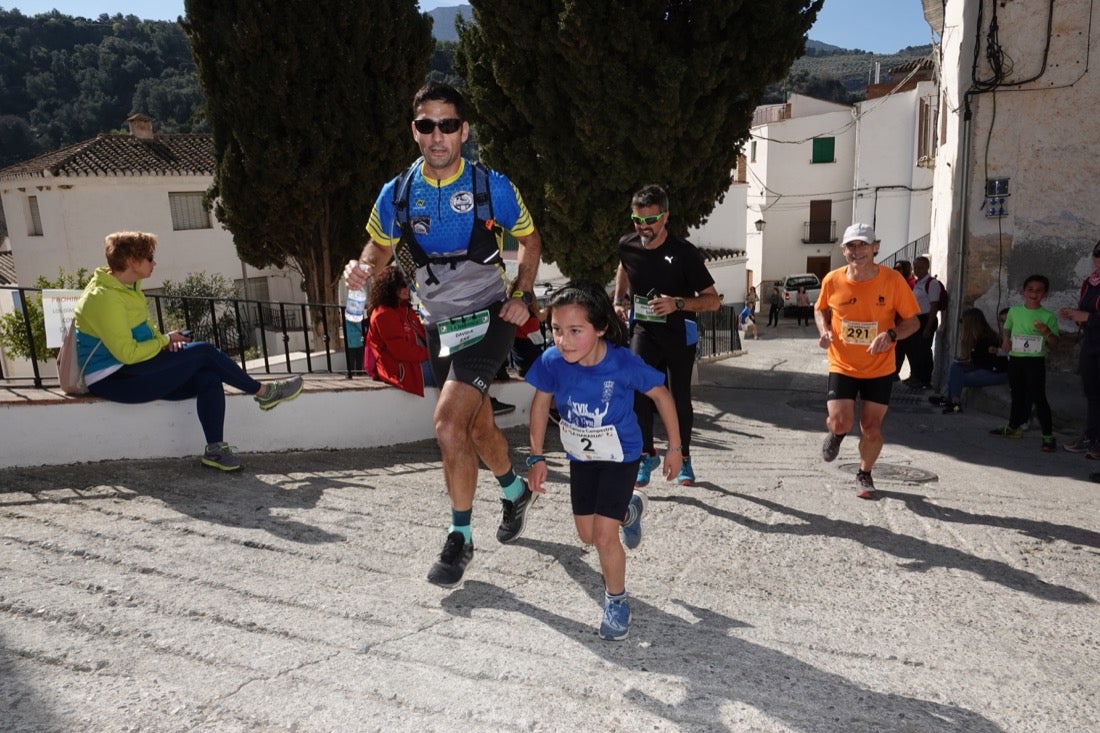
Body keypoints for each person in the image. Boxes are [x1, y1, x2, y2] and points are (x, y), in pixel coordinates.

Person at [344, 81, 542, 588]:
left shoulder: (491, 186)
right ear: (414, 131)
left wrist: (522, 294)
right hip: (439, 325)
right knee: (475, 429)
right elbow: (378, 247)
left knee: (448, 425)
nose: (438, 135)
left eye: (448, 125)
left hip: (489, 317)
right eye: (427, 125)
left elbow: (530, 240)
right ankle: (515, 491)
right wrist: (362, 268)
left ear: (464, 130)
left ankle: (460, 538)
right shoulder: (396, 193)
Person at [525, 281, 682, 641]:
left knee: (602, 535)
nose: (563, 340)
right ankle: (629, 510)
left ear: (600, 328)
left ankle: (616, 601)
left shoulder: (622, 362)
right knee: (586, 534)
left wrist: (674, 448)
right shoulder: (552, 362)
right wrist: (536, 456)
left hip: (620, 455)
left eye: (574, 331)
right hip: (582, 456)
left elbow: (662, 395)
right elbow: (539, 405)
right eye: (556, 329)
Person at [74, 231, 303, 471]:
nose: (154, 263)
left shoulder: (127, 287)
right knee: (203, 352)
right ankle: (264, 392)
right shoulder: (104, 297)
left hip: (133, 370)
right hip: (113, 378)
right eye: (150, 258)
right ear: (132, 261)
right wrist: (163, 341)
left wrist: (166, 340)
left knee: (209, 377)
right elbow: (127, 353)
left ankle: (215, 451)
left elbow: (140, 331)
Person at [612, 184, 721, 488]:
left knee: (678, 398)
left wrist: (677, 304)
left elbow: (713, 301)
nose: (643, 227)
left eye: (650, 220)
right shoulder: (627, 244)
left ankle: (684, 456)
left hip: (679, 332)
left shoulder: (684, 253)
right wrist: (619, 300)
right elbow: (624, 267)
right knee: (637, 391)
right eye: (637, 220)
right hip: (644, 329)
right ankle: (647, 454)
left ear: (665, 216)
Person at [816, 223, 920, 500]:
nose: (857, 251)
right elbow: (820, 309)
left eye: (863, 245)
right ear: (843, 250)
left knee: (871, 428)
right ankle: (836, 435)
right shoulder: (832, 280)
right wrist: (824, 331)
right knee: (840, 422)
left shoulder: (893, 281)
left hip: (879, 367)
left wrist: (891, 334)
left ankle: (864, 472)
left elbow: (913, 322)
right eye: (851, 246)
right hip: (843, 364)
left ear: (876, 247)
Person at [990, 274, 1059, 451]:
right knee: (1016, 394)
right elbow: (1007, 328)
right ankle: (1013, 427)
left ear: (1045, 294)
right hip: (1015, 359)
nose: (1034, 294)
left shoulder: (1048, 316)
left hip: (1035, 361)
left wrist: (1046, 332)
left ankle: (1048, 436)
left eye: (1039, 291)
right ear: (1023, 292)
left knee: (1039, 397)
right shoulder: (1014, 311)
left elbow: (1054, 343)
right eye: (1030, 290)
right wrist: (1006, 340)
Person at [1060, 241, 1100, 458]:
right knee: (1092, 393)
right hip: (1092, 343)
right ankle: (1091, 437)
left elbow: (1091, 315)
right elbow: (1086, 312)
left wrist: (1089, 317)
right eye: (1097, 258)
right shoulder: (1090, 283)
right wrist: (1076, 316)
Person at [927, 308, 1008, 413]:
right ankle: (952, 400)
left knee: (957, 377)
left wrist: (967, 361)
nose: (962, 325)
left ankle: (954, 402)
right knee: (955, 367)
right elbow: (979, 361)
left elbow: (984, 362)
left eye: (963, 322)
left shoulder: (987, 339)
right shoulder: (978, 338)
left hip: (996, 373)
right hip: (986, 368)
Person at [366, 265, 429, 396]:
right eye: (402, 285)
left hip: (416, 362)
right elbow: (402, 351)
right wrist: (431, 355)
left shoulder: (406, 309)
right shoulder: (383, 314)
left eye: (408, 284)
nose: (407, 288)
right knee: (453, 375)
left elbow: (423, 335)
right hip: (402, 370)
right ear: (390, 287)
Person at [903, 255, 945, 390]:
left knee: (924, 350)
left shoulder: (932, 284)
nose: (917, 270)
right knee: (914, 349)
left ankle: (925, 380)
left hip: (926, 319)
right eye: (915, 267)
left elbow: (934, 306)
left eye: (920, 267)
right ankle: (915, 376)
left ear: (927, 267)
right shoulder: (917, 283)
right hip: (916, 320)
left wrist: (928, 327)